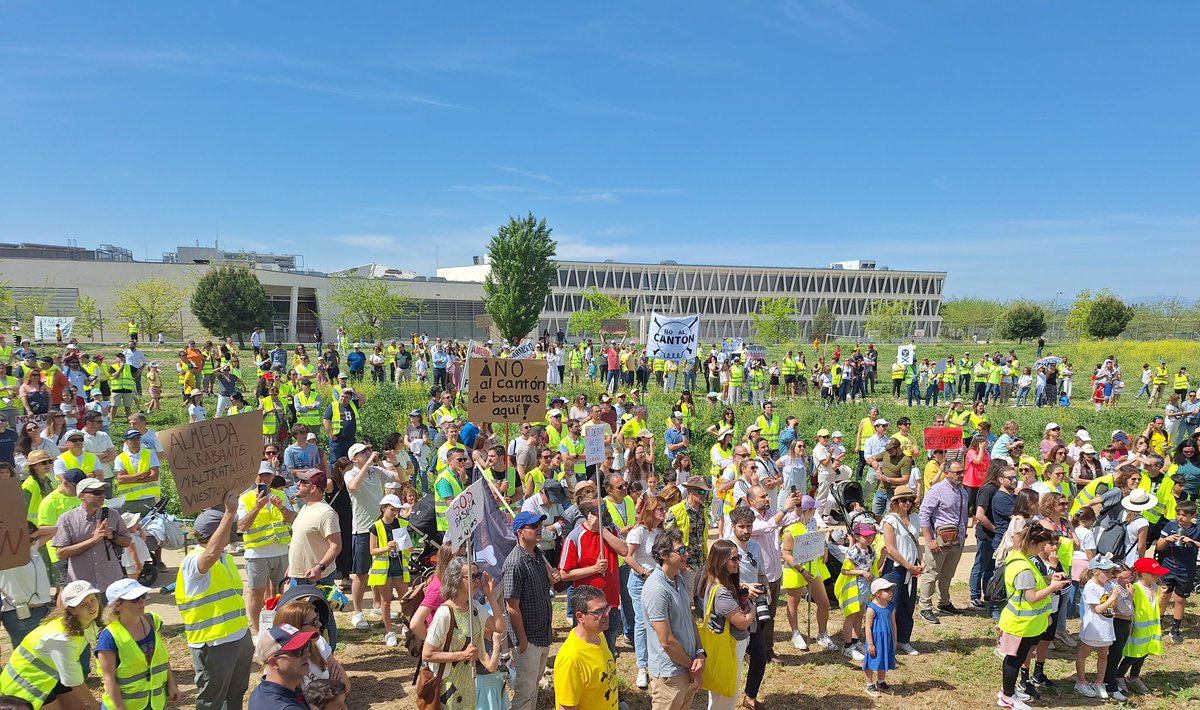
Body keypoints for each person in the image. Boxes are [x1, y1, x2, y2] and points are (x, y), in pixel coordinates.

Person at [176, 497, 255, 710]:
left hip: (238, 636)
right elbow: (209, 554)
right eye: (227, 527)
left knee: (236, 693)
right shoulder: (194, 561)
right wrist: (228, 513)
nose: (232, 530)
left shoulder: (225, 558)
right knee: (211, 700)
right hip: (213, 644)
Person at [996, 525, 1071, 710]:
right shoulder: (1024, 567)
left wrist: (1048, 579)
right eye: (1042, 545)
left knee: (1016, 657)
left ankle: (1008, 691)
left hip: (1025, 622)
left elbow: (1032, 583)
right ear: (1032, 543)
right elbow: (1031, 597)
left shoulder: (1019, 557)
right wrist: (1053, 587)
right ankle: (1007, 696)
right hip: (1021, 623)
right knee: (1015, 658)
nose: (1043, 549)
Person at [0, 580, 101, 708]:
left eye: (93, 599)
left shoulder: (87, 622)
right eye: (83, 604)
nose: (92, 606)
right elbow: (74, 681)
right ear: (71, 610)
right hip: (26, 687)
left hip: (53, 678)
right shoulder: (60, 638)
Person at [421, 557, 504, 710]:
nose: (477, 581)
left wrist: (491, 596)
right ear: (456, 580)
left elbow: (499, 626)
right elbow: (427, 654)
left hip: (469, 683)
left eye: (477, 575)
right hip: (448, 685)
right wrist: (462, 655)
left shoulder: (474, 606)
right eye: (471, 577)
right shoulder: (445, 613)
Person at [502, 511, 560, 710]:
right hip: (529, 639)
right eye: (533, 526)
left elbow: (549, 582)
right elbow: (511, 607)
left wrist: (553, 576)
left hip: (542, 634)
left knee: (533, 687)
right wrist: (523, 642)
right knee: (524, 693)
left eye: (539, 525)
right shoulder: (514, 563)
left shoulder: (538, 554)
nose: (539, 529)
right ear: (520, 532)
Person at [642, 529, 705, 710]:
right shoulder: (656, 589)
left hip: (687, 667)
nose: (686, 554)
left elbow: (689, 619)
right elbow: (667, 641)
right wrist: (692, 665)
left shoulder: (678, 578)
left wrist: (700, 652)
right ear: (663, 555)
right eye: (681, 550)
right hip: (670, 675)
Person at [559, 498, 629, 657]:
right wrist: (594, 569)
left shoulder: (611, 529)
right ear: (590, 515)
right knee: (588, 651)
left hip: (610, 605)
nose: (606, 511)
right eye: (602, 508)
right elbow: (564, 574)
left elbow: (624, 551)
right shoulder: (575, 536)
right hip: (588, 610)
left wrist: (601, 530)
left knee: (609, 650)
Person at [96, 578, 179, 710]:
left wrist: (171, 684)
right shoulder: (109, 637)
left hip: (154, 703)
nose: (142, 601)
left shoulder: (151, 620)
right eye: (135, 599)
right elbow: (108, 678)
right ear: (117, 605)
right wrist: (119, 707)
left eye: (143, 596)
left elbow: (160, 658)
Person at [239, 461, 297, 635]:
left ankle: (278, 627)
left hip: (280, 550)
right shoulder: (246, 498)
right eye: (261, 475)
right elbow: (241, 526)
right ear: (254, 477)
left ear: (273, 476)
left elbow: (292, 518)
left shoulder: (281, 494)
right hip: (257, 553)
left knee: (280, 592)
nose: (264, 478)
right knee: (256, 592)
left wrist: (281, 507)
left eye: (267, 474)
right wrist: (257, 507)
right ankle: (257, 631)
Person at [701, 539, 753, 710]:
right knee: (727, 694)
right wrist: (752, 608)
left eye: (738, 558)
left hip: (719, 646)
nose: (737, 562)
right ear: (721, 561)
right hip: (728, 646)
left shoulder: (710, 580)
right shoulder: (722, 592)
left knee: (717, 693)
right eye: (733, 559)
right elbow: (742, 622)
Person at [52, 477, 130, 591]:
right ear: (82, 495)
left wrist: (112, 535)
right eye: (96, 492)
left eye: (103, 491)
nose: (102, 495)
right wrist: (94, 540)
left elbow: (127, 541)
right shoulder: (66, 519)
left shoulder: (113, 515)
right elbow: (60, 553)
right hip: (82, 587)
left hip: (111, 583)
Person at [780, 494, 834, 651]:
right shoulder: (790, 530)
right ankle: (795, 633)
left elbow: (818, 540)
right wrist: (801, 569)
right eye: (814, 508)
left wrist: (824, 549)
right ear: (808, 510)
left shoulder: (813, 522)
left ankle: (822, 634)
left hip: (814, 568)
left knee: (823, 602)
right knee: (793, 602)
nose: (816, 510)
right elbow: (786, 553)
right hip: (797, 570)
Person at [552, 584, 619, 710]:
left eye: (606, 608)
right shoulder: (571, 659)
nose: (606, 614)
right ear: (580, 617)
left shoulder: (599, 635)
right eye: (598, 611)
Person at [625, 495, 665, 690]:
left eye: (665, 508)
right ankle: (642, 666)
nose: (664, 512)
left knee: (658, 620)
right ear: (650, 510)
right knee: (642, 622)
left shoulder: (661, 531)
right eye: (660, 509)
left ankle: (657, 658)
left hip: (658, 581)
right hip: (640, 581)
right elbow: (627, 556)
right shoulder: (639, 531)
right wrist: (643, 572)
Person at [880, 485, 922, 656]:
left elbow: (916, 542)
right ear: (895, 502)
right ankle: (887, 641)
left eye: (910, 500)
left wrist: (921, 560)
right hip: (895, 568)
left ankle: (904, 640)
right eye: (903, 500)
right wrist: (908, 565)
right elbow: (891, 549)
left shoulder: (915, 518)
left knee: (908, 604)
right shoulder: (890, 521)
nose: (907, 503)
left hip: (911, 567)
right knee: (891, 605)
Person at [1075, 556, 1123, 699]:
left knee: (1103, 655)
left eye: (1111, 572)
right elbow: (1098, 609)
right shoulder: (1091, 586)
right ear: (1095, 571)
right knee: (1084, 653)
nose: (1109, 575)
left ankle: (1099, 682)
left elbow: (1111, 607)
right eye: (1106, 572)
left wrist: (1115, 597)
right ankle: (1081, 681)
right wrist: (1113, 597)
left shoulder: (1107, 585)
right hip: (1093, 627)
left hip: (1106, 627)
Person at [1117, 557, 1166, 693]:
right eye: (1155, 574)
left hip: (1149, 629)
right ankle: (1119, 676)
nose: (1158, 576)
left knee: (1143, 654)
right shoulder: (1136, 588)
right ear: (1144, 574)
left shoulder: (1154, 587)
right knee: (1132, 655)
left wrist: (1161, 596)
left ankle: (1134, 677)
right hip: (1137, 629)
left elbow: (1156, 606)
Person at [663, 475, 711, 612]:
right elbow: (666, 539)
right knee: (686, 602)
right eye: (701, 492)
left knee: (702, 597)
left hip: (701, 561)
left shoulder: (702, 510)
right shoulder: (675, 511)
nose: (704, 496)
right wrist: (680, 564)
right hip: (685, 564)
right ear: (690, 491)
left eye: (706, 493)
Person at [289, 468, 343, 586]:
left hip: (317, 579)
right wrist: (292, 567)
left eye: (302, 482)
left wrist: (319, 568)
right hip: (298, 577)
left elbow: (336, 546)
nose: (297, 484)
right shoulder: (305, 507)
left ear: (313, 488)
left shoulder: (326, 513)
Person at [1155, 499, 1198, 644]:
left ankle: (1175, 629)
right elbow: (1159, 546)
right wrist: (1167, 539)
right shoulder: (1170, 525)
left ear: (1193, 516)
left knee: (1180, 599)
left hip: (1186, 571)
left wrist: (1191, 541)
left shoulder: (1197, 529)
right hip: (1168, 568)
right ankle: (1158, 624)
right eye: (1178, 514)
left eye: (1184, 515)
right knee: (1164, 596)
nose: (1180, 517)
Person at [248, 624, 320, 710]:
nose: (308, 654)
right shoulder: (287, 707)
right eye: (297, 651)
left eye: (307, 646)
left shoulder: (259, 692)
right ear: (274, 662)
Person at [834, 521, 876, 663]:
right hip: (854, 585)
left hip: (865, 586)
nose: (869, 538)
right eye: (866, 536)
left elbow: (873, 566)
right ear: (857, 536)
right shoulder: (852, 552)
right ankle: (847, 645)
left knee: (859, 614)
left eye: (871, 535)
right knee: (851, 615)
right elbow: (844, 570)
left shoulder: (871, 550)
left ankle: (855, 640)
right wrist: (861, 572)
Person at [862, 577, 897, 697]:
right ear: (877, 593)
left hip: (887, 638)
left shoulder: (890, 606)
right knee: (871, 660)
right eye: (887, 590)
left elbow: (893, 624)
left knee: (883, 659)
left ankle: (881, 682)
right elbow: (867, 627)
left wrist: (894, 640)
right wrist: (870, 643)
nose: (891, 593)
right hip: (875, 639)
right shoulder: (872, 608)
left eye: (891, 590)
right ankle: (869, 684)